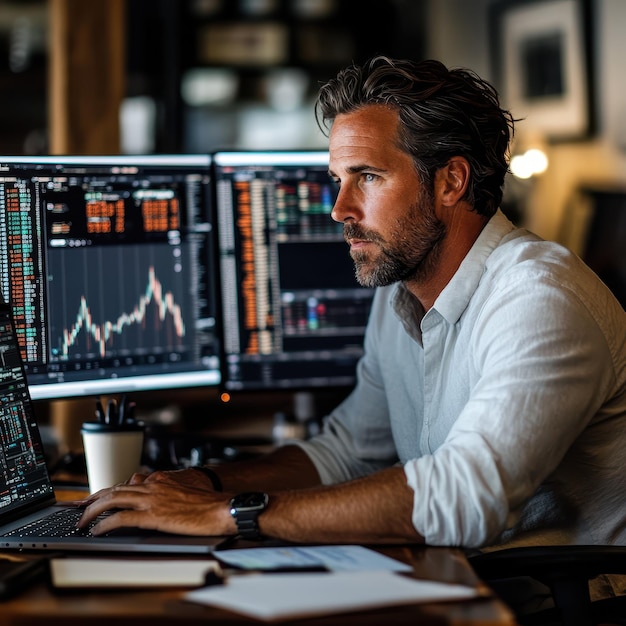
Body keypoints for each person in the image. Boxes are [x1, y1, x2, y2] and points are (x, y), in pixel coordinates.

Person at [78, 56, 626, 555]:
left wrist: (226, 514)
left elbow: (464, 497)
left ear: (451, 182)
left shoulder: (539, 299)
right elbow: (349, 451)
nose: (339, 209)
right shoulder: (398, 295)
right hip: (459, 582)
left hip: (558, 605)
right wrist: (211, 484)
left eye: (367, 176)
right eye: (338, 181)